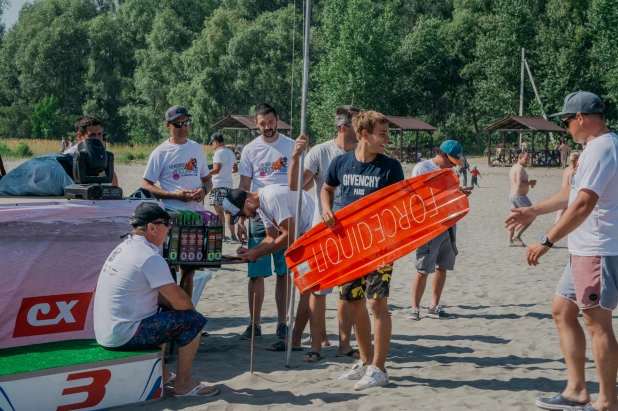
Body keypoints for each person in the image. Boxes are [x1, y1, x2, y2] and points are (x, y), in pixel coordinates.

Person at [505, 91, 618, 411]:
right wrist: (534, 211)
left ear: (580, 118)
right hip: (584, 249)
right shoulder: (595, 149)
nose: (565, 126)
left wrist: (547, 240)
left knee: (597, 323)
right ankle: (576, 390)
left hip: (597, 249)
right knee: (562, 310)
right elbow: (573, 191)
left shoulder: (602, 148)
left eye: (566, 120)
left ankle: (607, 402)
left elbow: (584, 203)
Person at [93, 202, 218, 397]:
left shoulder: (125, 246)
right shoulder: (148, 256)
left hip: (108, 330)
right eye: (166, 224)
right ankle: (183, 385)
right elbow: (182, 303)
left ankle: (164, 373)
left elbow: (163, 298)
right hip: (122, 334)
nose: (170, 228)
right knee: (194, 321)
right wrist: (186, 313)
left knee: (162, 312)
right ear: (151, 227)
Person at [321, 110, 404, 390]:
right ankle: (366, 362)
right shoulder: (341, 163)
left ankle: (379, 369)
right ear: (364, 135)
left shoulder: (390, 167)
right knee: (353, 301)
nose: (387, 139)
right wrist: (326, 210)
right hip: (348, 246)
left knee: (376, 303)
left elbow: (401, 206)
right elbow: (326, 189)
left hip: (380, 247)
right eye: (383, 134)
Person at [286, 105, 362, 362]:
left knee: (349, 291)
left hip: (355, 232)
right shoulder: (321, 152)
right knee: (319, 290)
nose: (362, 129)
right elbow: (297, 186)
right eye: (357, 124)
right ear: (343, 128)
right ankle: (316, 345)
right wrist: (296, 156)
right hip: (324, 229)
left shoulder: (364, 152)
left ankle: (344, 345)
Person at [236, 103, 295, 341]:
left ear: (277, 120)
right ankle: (254, 324)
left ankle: (282, 323)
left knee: (284, 270)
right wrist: (241, 218)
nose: (267, 127)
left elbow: (301, 180)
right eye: (262, 124)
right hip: (258, 213)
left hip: (284, 213)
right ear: (256, 123)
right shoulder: (250, 150)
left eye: (271, 122)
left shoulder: (291, 147)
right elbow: (243, 187)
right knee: (255, 270)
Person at [142, 105, 213, 298]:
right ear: (168, 125)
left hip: (196, 216)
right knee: (168, 270)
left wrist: (203, 191)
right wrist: (175, 195)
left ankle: (186, 319)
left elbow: (207, 179)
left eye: (186, 122)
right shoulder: (161, 152)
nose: (183, 127)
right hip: (171, 216)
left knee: (189, 271)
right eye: (178, 124)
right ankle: (171, 318)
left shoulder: (196, 148)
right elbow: (146, 184)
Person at [408, 141, 471, 321]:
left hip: (449, 224)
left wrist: (460, 193)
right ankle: (414, 308)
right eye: (451, 161)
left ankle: (434, 306)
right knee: (423, 269)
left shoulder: (449, 172)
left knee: (442, 267)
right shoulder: (422, 168)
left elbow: (448, 195)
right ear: (442, 154)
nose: (453, 165)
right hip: (429, 227)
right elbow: (416, 197)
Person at [64, 116, 118, 186]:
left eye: (99, 134)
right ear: (79, 136)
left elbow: (115, 187)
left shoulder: (103, 155)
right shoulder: (69, 157)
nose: (98, 139)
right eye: (92, 135)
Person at [208, 132, 239, 243]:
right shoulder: (231, 153)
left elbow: (216, 169)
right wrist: (226, 172)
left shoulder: (218, 153)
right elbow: (235, 169)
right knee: (228, 211)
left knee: (219, 212)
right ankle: (233, 235)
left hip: (218, 185)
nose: (212, 145)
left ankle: (222, 235)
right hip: (229, 185)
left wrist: (205, 173)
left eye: (212, 143)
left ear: (215, 141)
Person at [508, 151, 536, 247]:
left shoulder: (514, 167)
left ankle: (510, 242)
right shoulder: (520, 169)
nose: (527, 161)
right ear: (520, 158)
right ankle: (517, 236)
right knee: (532, 214)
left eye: (528, 159)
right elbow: (519, 184)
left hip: (512, 195)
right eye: (526, 159)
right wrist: (530, 182)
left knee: (513, 218)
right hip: (519, 196)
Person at [554, 152, 580, 224]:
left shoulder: (566, 169)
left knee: (559, 215)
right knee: (563, 216)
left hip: (562, 192)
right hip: (567, 195)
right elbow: (571, 184)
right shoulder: (572, 171)